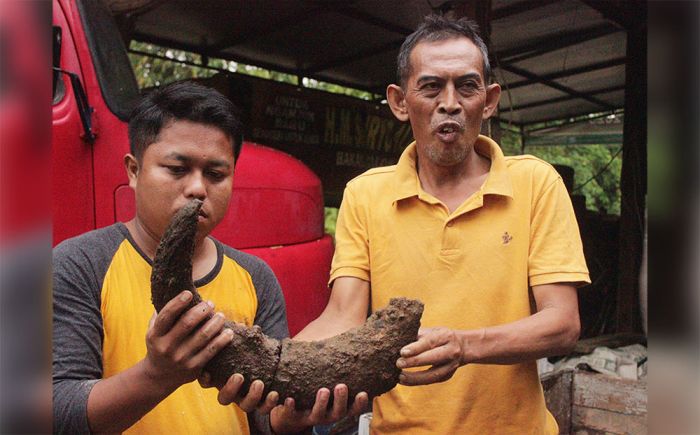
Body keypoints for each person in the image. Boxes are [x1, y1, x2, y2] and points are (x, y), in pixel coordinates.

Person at [294, 15, 590, 434]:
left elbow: (562, 323)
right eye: (431, 86)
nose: (449, 102)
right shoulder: (365, 194)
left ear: (488, 101)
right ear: (399, 102)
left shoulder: (535, 183)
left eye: (466, 86)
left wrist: (465, 345)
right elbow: (343, 315)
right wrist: (279, 362)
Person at [52, 81, 366, 435]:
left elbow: (264, 412)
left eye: (216, 174)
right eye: (177, 169)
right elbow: (55, 410)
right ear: (134, 171)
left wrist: (288, 419)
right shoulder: (78, 265)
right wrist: (155, 375)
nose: (198, 188)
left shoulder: (256, 277)